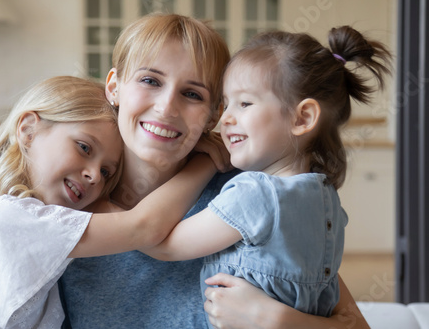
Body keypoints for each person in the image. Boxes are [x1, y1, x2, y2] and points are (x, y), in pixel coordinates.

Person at [0, 13, 375, 329]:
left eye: (193, 93)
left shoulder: (244, 197)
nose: (166, 107)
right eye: (150, 80)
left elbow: (349, 321)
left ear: (214, 113)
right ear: (115, 87)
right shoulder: (68, 194)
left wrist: (277, 319)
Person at [139, 25, 392, 327]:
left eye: (244, 103)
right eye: (226, 103)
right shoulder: (327, 204)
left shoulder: (255, 194)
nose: (226, 118)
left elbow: (165, 245)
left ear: (302, 118)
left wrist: (106, 210)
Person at [0, 76, 220, 328]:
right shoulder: (17, 220)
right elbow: (144, 227)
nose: (94, 175)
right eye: (84, 148)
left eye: (107, 172)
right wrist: (206, 161)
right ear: (28, 129)